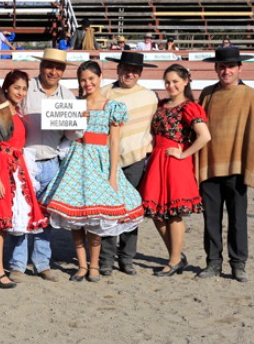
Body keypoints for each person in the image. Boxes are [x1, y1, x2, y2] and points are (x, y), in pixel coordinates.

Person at [41, 61, 144, 283]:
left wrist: (113, 174)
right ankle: (81, 265)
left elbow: (115, 143)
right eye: (83, 79)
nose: (87, 83)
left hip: (99, 162)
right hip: (76, 160)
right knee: (75, 218)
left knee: (95, 218)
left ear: (99, 78)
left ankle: (95, 265)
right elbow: (64, 133)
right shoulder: (74, 105)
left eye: (91, 79)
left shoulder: (112, 106)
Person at [197, 47, 254, 282]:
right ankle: (213, 262)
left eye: (230, 66)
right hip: (210, 165)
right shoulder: (206, 94)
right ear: (216, 68)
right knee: (211, 219)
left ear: (240, 68)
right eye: (222, 66)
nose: (226, 70)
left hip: (237, 168)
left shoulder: (253, 96)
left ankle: (238, 264)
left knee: (237, 219)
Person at [6, 48, 78, 283]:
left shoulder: (67, 96)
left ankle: (41, 263)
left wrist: (77, 125)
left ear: (63, 71)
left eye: (58, 68)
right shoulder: (26, 90)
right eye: (49, 66)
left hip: (51, 161)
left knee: (45, 216)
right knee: (21, 212)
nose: (53, 71)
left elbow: (73, 134)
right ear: (41, 66)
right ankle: (18, 264)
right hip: (24, 161)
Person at [139, 64, 211, 277]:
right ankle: (176, 256)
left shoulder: (190, 107)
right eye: (167, 82)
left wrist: (183, 153)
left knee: (173, 213)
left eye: (175, 82)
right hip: (157, 159)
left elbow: (205, 136)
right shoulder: (162, 104)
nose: (171, 86)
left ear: (186, 81)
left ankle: (173, 260)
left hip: (175, 162)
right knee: (156, 213)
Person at [0, 70, 48, 289]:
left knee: (5, 221)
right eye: (16, 87)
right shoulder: (0, 111)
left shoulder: (17, 111)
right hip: (1, 166)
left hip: (15, 167)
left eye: (24, 88)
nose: (20, 92)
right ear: (6, 87)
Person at [99, 51, 158, 276]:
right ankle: (106, 258)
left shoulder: (149, 98)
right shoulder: (104, 93)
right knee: (108, 209)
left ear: (140, 73)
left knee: (131, 209)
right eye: (126, 69)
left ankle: (127, 257)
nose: (129, 73)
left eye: (134, 70)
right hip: (106, 159)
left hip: (135, 159)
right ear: (118, 69)